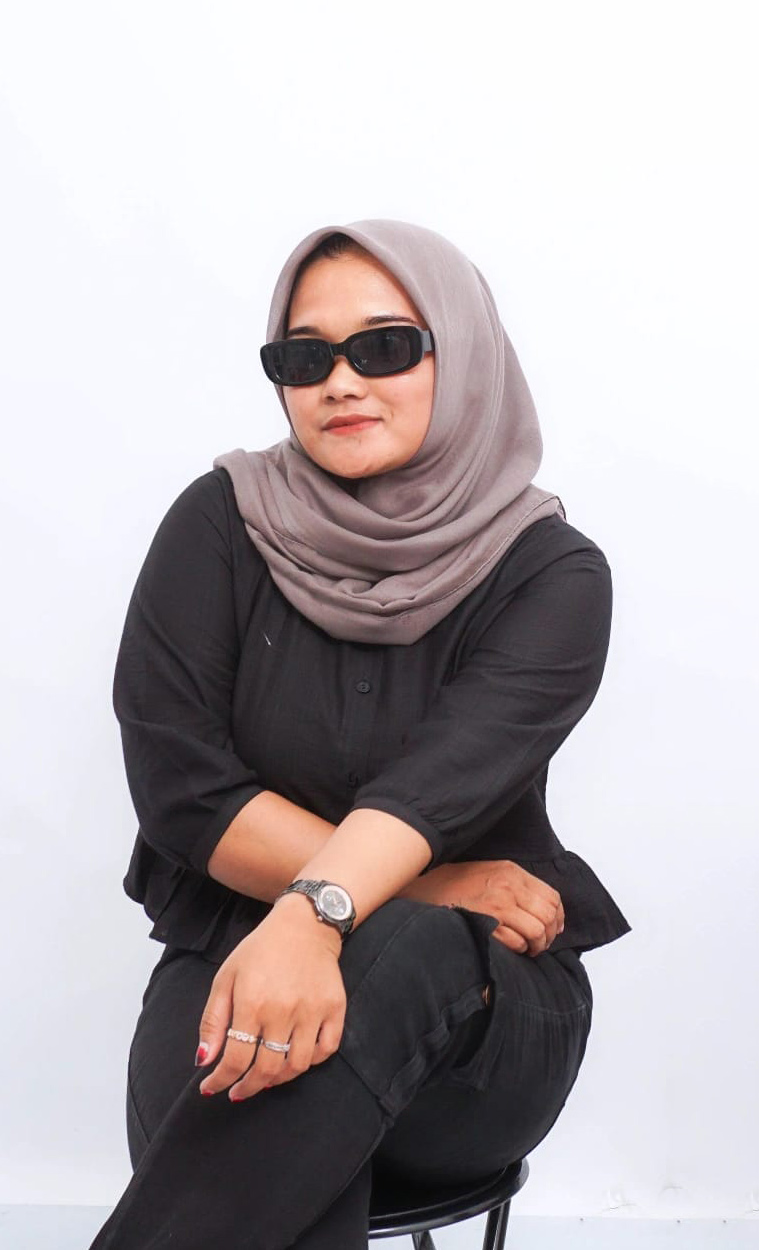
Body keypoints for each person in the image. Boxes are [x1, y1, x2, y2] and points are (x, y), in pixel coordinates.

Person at [88, 219, 631, 1250]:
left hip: (474, 1016)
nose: (340, 382)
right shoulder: (218, 524)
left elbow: (444, 782)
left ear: (459, 354)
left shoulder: (552, 572)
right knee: (265, 1097)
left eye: (383, 347)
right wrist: (416, 885)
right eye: (305, 358)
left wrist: (321, 911)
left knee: (409, 949)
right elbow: (182, 788)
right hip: (240, 960)